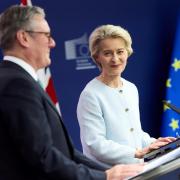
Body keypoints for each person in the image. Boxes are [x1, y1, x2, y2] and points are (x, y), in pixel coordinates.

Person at [0, 5, 145, 180]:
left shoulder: (18, 79)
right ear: (23, 37)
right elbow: (42, 158)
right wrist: (104, 176)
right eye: (46, 35)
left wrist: (109, 173)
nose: (52, 42)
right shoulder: (17, 84)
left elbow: (66, 153)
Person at [77, 24, 176, 166]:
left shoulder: (131, 88)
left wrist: (154, 143)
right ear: (97, 57)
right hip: (107, 173)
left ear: (127, 52)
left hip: (136, 170)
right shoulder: (90, 95)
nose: (115, 59)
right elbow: (95, 144)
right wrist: (136, 153)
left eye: (120, 51)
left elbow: (134, 134)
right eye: (107, 53)